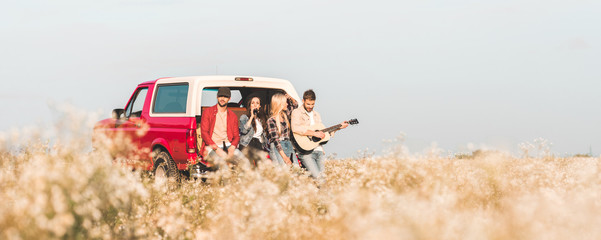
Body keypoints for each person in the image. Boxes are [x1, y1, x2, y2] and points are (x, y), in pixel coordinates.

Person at [291, 89, 348, 180]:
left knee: (322, 179)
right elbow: (295, 128)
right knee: (319, 179)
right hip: (306, 152)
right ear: (303, 101)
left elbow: (323, 133)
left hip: (319, 150)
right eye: (308, 104)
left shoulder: (317, 115)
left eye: (312, 104)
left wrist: (339, 127)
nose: (310, 106)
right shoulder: (296, 112)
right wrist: (314, 133)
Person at [200, 87, 248, 168]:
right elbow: (204, 133)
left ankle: (242, 180)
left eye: (225, 97)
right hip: (212, 147)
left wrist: (232, 147)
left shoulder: (232, 116)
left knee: (246, 163)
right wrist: (217, 149)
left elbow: (236, 136)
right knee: (224, 167)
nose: (222, 98)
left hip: (228, 145)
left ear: (229, 98)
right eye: (220, 96)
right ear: (217, 97)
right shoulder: (208, 112)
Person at [266, 92, 299, 166]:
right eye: (285, 102)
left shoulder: (285, 115)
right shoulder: (271, 120)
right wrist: (284, 157)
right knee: (283, 171)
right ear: (280, 104)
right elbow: (275, 141)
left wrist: (290, 97)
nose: (287, 104)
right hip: (277, 147)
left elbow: (295, 105)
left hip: (288, 144)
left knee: (296, 169)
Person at [239, 95, 269, 165]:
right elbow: (244, 130)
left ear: (259, 106)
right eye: (253, 103)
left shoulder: (261, 119)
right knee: (250, 165)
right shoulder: (244, 117)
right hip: (248, 143)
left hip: (258, 144)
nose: (255, 104)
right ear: (250, 106)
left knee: (260, 165)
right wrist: (252, 116)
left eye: (257, 103)